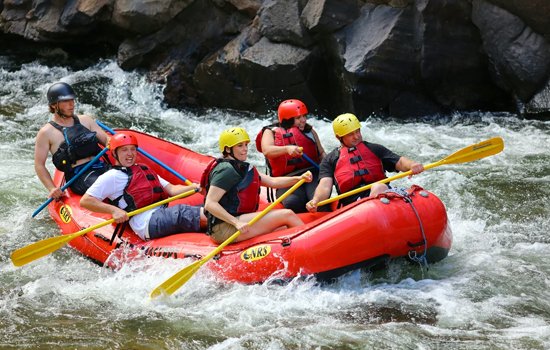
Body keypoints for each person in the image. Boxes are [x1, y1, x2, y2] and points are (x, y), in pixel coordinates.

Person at [80, 133, 207, 241]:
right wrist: (114, 210)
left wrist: (196, 188)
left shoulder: (143, 169)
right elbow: (86, 201)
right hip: (147, 223)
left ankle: (220, 222)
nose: (130, 154)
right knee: (181, 212)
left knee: (205, 207)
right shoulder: (112, 176)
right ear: (114, 153)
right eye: (124, 150)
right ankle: (219, 222)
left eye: (132, 149)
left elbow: (172, 190)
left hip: (161, 214)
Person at [203, 127, 312, 244]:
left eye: (246, 145)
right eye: (240, 146)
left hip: (240, 219)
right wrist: (236, 222)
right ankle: (313, 245)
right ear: (228, 149)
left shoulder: (241, 167)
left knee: (285, 227)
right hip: (224, 228)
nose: (245, 149)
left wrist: (300, 178)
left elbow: (273, 182)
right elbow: (210, 203)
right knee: (287, 215)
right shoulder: (226, 170)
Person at [306, 113, 424, 213]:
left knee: (378, 186)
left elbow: (400, 162)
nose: (357, 137)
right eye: (351, 134)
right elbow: (324, 186)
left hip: (382, 195)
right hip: (354, 205)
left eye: (358, 132)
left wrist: (412, 165)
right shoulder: (330, 159)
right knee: (377, 188)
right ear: (339, 137)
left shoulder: (374, 149)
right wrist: (316, 200)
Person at [34, 82, 110, 199]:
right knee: (107, 185)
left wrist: (113, 142)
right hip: (78, 177)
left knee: (129, 177)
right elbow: (39, 165)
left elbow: (106, 140)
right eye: (65, 101)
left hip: (100, 166)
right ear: (54, 105)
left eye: (72, 100)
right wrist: (52, 188)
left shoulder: (86, 120)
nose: (71, 104)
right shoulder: (46, 133)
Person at [255, 99, 329, 213]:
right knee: (292, 202)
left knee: (319, 201)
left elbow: (321, 154)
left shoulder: (310, 131)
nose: (303, 120)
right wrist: (287, 149)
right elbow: (267, 150)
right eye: (298, 118)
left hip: (311, 174)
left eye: (304, 116)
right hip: (285, 179)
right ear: (287, 119)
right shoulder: (270, 132)